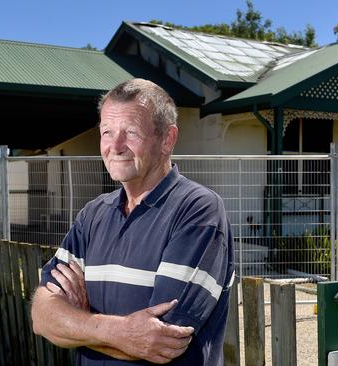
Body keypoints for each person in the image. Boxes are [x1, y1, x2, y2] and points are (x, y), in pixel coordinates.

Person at [31, 78, 234, 365]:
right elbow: (42, 317)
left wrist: (77, 324)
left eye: (132, 132)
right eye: (107, 132)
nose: (116, 146)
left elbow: (162, 342)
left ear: (167, 139)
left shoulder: (197, 210)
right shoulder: (93, 215)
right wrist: (120, 331)